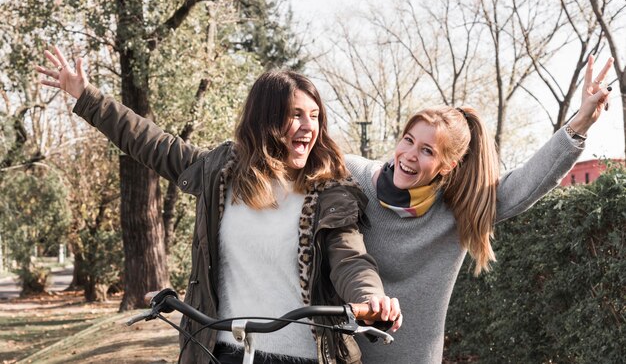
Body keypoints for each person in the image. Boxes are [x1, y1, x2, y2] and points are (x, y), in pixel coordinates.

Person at [36, 46, 401, 364]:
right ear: (266, 120)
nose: (309, 127)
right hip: (221, 351)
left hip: (306, 356)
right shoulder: (221, 174)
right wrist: (86, 96)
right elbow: (151, 143)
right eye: (296, 115)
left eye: (315, 116)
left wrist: (370, 298)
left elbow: (350, 259)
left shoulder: (330, 192)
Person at [344, 55, 614, 364]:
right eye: (408, 140)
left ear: (448, 165)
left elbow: (526, 184)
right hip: (341, 353)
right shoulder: (354, 176)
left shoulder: (457, 208)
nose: (409, 155)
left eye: (427, 150)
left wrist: (579, 122)